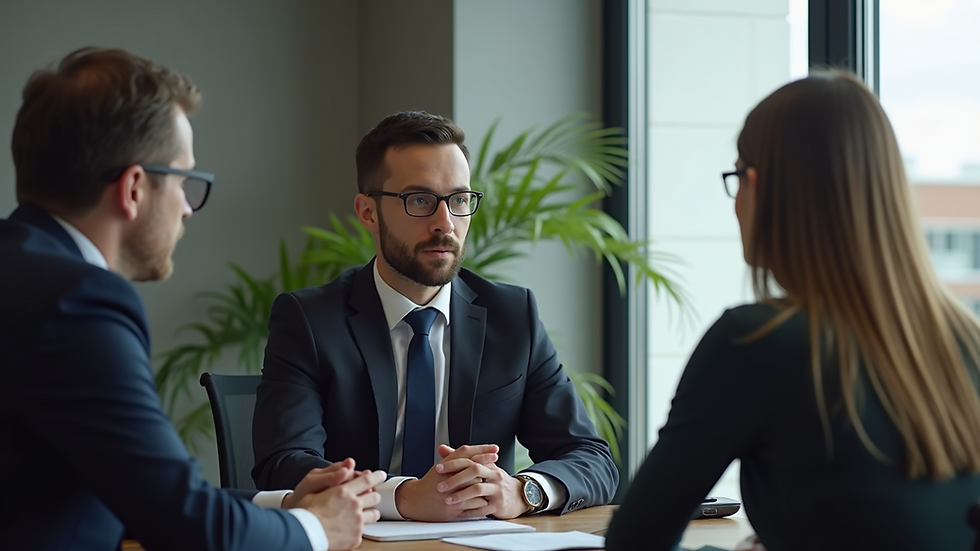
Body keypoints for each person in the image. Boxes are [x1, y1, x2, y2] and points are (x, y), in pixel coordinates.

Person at [0, 47, 386, 551]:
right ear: (134, 188)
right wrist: (318, 529)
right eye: (185, 181)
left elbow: (138, 493)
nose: (186, 208)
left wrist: (288, 505)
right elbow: (181, 522)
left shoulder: (23, 276)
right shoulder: (78, 303)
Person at [605, 70, 980, 551]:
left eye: (736, 177)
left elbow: (635, 542)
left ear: (757, 185)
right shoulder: (967, 339)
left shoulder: (756, 340)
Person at [251, 110, 618, 522]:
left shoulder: (513, 316)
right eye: (420, 200)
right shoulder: (310, 320)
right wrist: (402, 497)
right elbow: (283, 464)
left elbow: (590, 457)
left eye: (459, 200)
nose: (445, 224)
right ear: (368, 212)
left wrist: (523, 490)